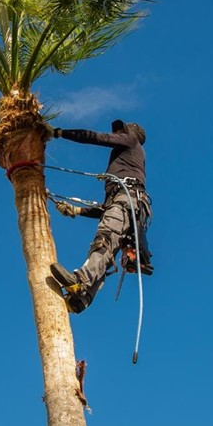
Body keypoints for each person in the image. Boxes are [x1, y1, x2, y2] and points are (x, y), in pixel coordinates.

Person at [47, 119, 153, 313]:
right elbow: (107, 209)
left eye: (122, 132)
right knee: (108, 249)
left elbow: (96, 137)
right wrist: (76, 210)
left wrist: (59, 133)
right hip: (128, 205)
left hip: (126, 202)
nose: (119, 134)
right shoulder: (129, 164)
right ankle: (82, 297)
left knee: (104, 240)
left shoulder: (131, 142)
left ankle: (81, 281)